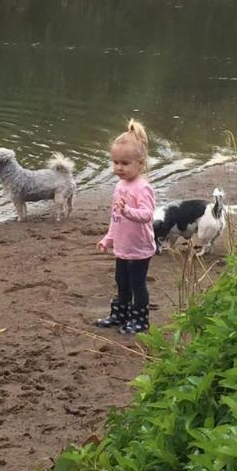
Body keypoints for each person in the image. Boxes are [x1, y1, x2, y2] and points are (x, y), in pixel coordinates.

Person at [94, 120, 156, 334]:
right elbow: (115, 217)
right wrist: (108, 238)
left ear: (140, 163)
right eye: (115, 162)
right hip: (122, 246)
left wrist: (128, 211)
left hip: (139, 248)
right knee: (121, 281)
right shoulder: (120, 186)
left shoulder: (142, 187)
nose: (119, 167)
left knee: (137, 285)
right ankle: (119, 315)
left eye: (125, 163)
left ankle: (140, 320)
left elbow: (147, 215)